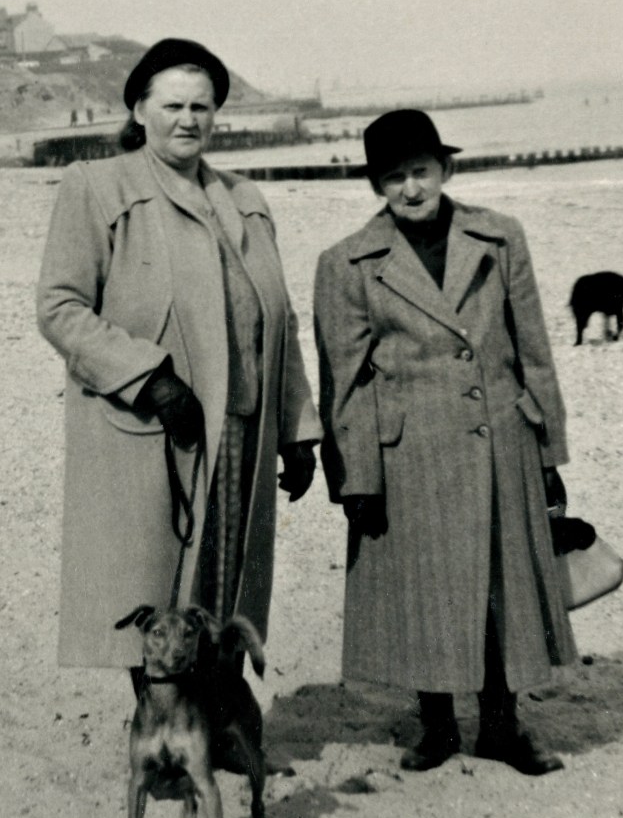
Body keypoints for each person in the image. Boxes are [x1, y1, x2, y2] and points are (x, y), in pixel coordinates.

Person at [37, 38, 321, 671]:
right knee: (157, 593)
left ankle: (216, 715)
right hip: (154, 429)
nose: (188, 119)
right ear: (138, 110)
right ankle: (167, 732)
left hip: (242, 427)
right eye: (171, 105)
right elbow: (60, 307)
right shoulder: (96, 186)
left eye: (202, 106)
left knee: (224, 586)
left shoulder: (244, 196)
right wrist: (149, 379)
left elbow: (278, 320)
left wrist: (297, 428)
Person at [313, 110, 576, 776]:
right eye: (393, 177)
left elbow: (533, 351)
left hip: (501, 442)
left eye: (420, 172)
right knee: (425, 590)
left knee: (501, 589)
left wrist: (548, 452)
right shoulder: (346, 264)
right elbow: (342, 381)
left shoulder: (499, 237)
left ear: (445, 169)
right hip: (411, 452)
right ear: (375, 184)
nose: (410, 188)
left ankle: (500, 725)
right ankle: (435, 726)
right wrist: (356, 478)